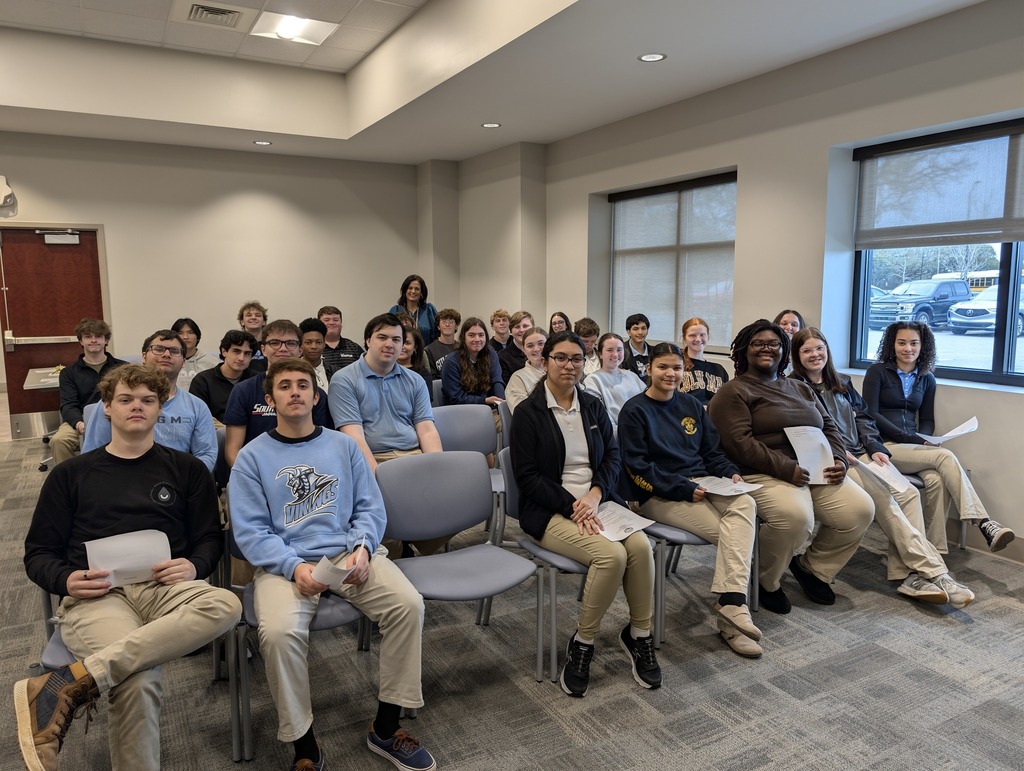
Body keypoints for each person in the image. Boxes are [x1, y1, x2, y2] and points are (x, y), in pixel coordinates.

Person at [16, 364, 241, 771]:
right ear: (106, 407)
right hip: (98, 597)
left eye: (147, 400)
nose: (137, 406)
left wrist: (194, 566)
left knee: (226, 604)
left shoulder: (187, 469)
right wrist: (66, 579)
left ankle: (72, 681)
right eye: (125, 399)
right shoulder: (70, 475)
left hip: (165, 588)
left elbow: (210, 539)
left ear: (160, 409)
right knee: (136, 678)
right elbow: (38, 554)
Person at [229, 358, 435, 771]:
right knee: (279, 633)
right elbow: (250, 531)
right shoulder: (252, 457)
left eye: (302, 385)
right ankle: (305, 748)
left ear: (315, 396)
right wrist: (292, 566)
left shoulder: (344, 446)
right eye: (284, 386)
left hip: (347, 553)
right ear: (270, 400)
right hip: (285, 563)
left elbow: (369, 507)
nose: (295, 392)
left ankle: (386, 727)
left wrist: (363, 548)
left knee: (407, 605)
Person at [511, 331, 660, 697]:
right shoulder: (529, 413)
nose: (569, 365)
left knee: (641, 548)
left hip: (597, 503)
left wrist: (594, 495)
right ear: (545, 361)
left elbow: (613, 458)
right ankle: (583, 642)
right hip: (550, 510)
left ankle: (639, 634)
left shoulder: (592, 405)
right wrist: (572, 506)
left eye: (576, 358)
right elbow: (527, 477)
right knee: (611, 557)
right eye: (560, 358)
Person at [790, 327, 975, 608]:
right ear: (797, 355)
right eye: (807, 350)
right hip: (835, 461)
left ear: (827, 350)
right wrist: (839, 453)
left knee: (908, 494)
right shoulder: (793, 387)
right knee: (884, 500)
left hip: (862, 453)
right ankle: (935, 572)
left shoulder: (841, 382)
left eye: (819, 348)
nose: (815, 354)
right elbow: (804, 432)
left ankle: (907, 575)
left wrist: (876, 448)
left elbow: (863, 418)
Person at [708, 319, 874, 613]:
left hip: (816, 469)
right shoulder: (733, 392)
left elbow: (829, 427)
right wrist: (787, 469)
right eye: (758, 343)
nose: (767, 348)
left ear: (784, 350)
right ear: (744, 350)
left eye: (774, 343)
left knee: (860, 510)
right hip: (764, 473)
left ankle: (813, 567)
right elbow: (739, 443)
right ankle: (764, 580)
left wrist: (838, 460)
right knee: (795, 518)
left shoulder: (800, 387)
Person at [618, 343, 762, 657]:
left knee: (746, 504)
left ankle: (732, 603)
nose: (670, 373)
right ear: (649, 369)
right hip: (658, 493)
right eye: (662, 367)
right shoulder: (634, 410)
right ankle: (732, 623)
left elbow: (712, 452)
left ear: (684, 371)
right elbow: (636, 468)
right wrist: (681, 488)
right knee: (733, 535)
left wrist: (731, 473)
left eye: (677, 367)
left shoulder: (692, 405)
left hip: (703, 483)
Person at [862, 321, 1014, 553]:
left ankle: (934, 552)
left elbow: (927, 419)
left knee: (936, 480)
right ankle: (983, 523)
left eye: (914, 343)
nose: (908, 348)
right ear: (892, 345)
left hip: (912, 448)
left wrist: (927, 439)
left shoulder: (926, 378)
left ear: (923, 346)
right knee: (944, 457)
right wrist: (913, 439)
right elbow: (870, 413)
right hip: (884, 447)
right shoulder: (877, 372)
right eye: (902, 343)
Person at [83, 329, 218, 472]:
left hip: (178, 479)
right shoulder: (113, 403)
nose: (166, 354)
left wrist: (185, 479)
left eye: (174, 351)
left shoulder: (197, 406)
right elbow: (93, 453)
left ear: (184, 362)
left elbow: (206, 454)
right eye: (158, 349)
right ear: (143, 356)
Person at [223, 319, 332, 468]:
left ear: (300, 350)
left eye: (291, 343)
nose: (283, 349)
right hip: (256, 470)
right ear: (263, 349)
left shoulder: (315, 394)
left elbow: (323, 446)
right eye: (275, 343)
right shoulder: (243, 391)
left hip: (305, 469)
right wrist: (251, 478)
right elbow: (233, 451)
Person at [51, 318, 127, 465]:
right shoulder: (69, 373)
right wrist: (79, 424)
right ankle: (71, 477)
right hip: (82, 419)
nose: (93, 340)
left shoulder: (123, 368)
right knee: (59, 441)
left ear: (106, 340)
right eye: (88, 336)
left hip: (116, 418)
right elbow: (68, 405)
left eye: (98, 336)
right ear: (81, 341)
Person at [581, 333, 645, 435]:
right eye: (610, 350)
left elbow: (647, 403)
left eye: (619, 350)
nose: (615, 354)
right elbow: (601, 417)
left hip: (643, 432)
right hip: (618, 436)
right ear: (600, 354)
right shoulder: (593, 380)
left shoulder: (632, 376)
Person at [188, 330, 257, 424]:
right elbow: (197, 417)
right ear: (224, 351)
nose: (241, 358)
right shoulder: (202, 381)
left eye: (247, 353)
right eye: (236, 351)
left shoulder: (258, 381)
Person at [441, 317, 506, 409]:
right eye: (471, 335)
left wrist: (500, 402)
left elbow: (497, 380)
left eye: (481, 335)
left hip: (486, 408)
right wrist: (484, 400)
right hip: (458, 411)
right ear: (463, 338)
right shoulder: (451, 362)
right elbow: (456, 398)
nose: (477, 339)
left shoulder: (490, 353)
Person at [678, 317, 729, 407]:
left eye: (702, 335)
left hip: (713, 414)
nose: (698, 339)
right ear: (684, 338)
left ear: (708, 337)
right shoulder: (677, 367)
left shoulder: (719, 370)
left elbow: (725, 401)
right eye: (692, 335)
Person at [504, 326, 547, 411]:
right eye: (530, 346)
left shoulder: (560, 372)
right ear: (524, 350)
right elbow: (522, 414)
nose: (536, 349)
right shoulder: (518, 378)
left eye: (541, 344)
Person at [389, 274, 439, 346]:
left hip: (425, 351)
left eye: (417, 289)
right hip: (401, 351)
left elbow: (437, 335)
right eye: (410, 288)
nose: (413, 291)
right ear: (405, 290)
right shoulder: (395, 310)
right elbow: (390, 334)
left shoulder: (429, 310)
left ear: (421, 292)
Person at [171, 317, 218, 391]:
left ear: (198, 337)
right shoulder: (167, 360)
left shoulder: (212, 362)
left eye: (190, 332)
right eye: (180, 333)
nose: (185, 337)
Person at [317, 305, 364, 378]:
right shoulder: (314, 348)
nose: (331, 323)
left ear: (341, 324)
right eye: (326, 320)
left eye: (335, 320)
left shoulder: (354, 348)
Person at [498, 310, 534, 383]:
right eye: (517, 327)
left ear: (533, 328)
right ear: (511, 330)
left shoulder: (542, 351)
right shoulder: (503, 357)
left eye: (525, 326)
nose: (521, 330)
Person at [425, 307, 460, 377]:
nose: (447, 324)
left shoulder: (462, 347)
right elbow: (431, 377)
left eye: (451, 321)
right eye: (444, 321)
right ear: (438, 326)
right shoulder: (429, 350)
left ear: (456, 326)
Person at [398, 326, 433, 392]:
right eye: (398, 341)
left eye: (407, 343)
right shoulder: (384, 370)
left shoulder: (423, 374)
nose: (402, 346)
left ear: (415, 347)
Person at [298, 317, 329, 389]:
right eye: (308, 342)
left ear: (324, 344)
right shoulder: (292, 370)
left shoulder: (335, 372)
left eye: (318, 342)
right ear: (301, 344)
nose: (314, 347)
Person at [622, 313, 653, 380]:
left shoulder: (655, 352)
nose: (640, 332)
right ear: (628, 332)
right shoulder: (620, 352)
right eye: (635, 329)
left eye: (643, 328)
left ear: (647, 331)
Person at [238, 300, 268, 367]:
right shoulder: (237, 344)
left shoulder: (270, 343)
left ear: (264, 322)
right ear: (242, 322)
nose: (253, 317)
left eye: (258, 315)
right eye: (249, 315)